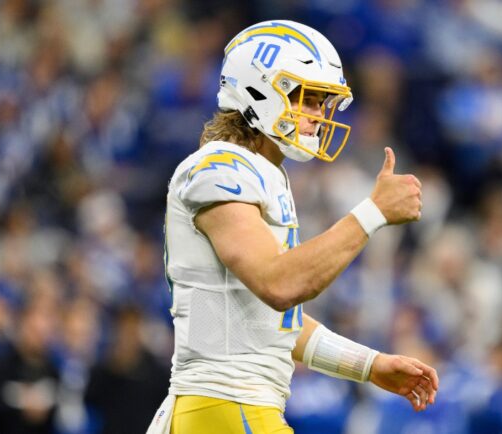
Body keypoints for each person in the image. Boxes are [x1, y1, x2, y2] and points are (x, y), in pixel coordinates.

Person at [146, 20, 439, 434]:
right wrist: (372, 213)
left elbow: (273, 323)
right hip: (228, 405)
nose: (318, 117)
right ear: (260, 89)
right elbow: (279, 285)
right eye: (308, 100)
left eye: (322, 103)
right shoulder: (220, 167)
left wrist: (369, 365)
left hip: (224, 409)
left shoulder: (259, 172)